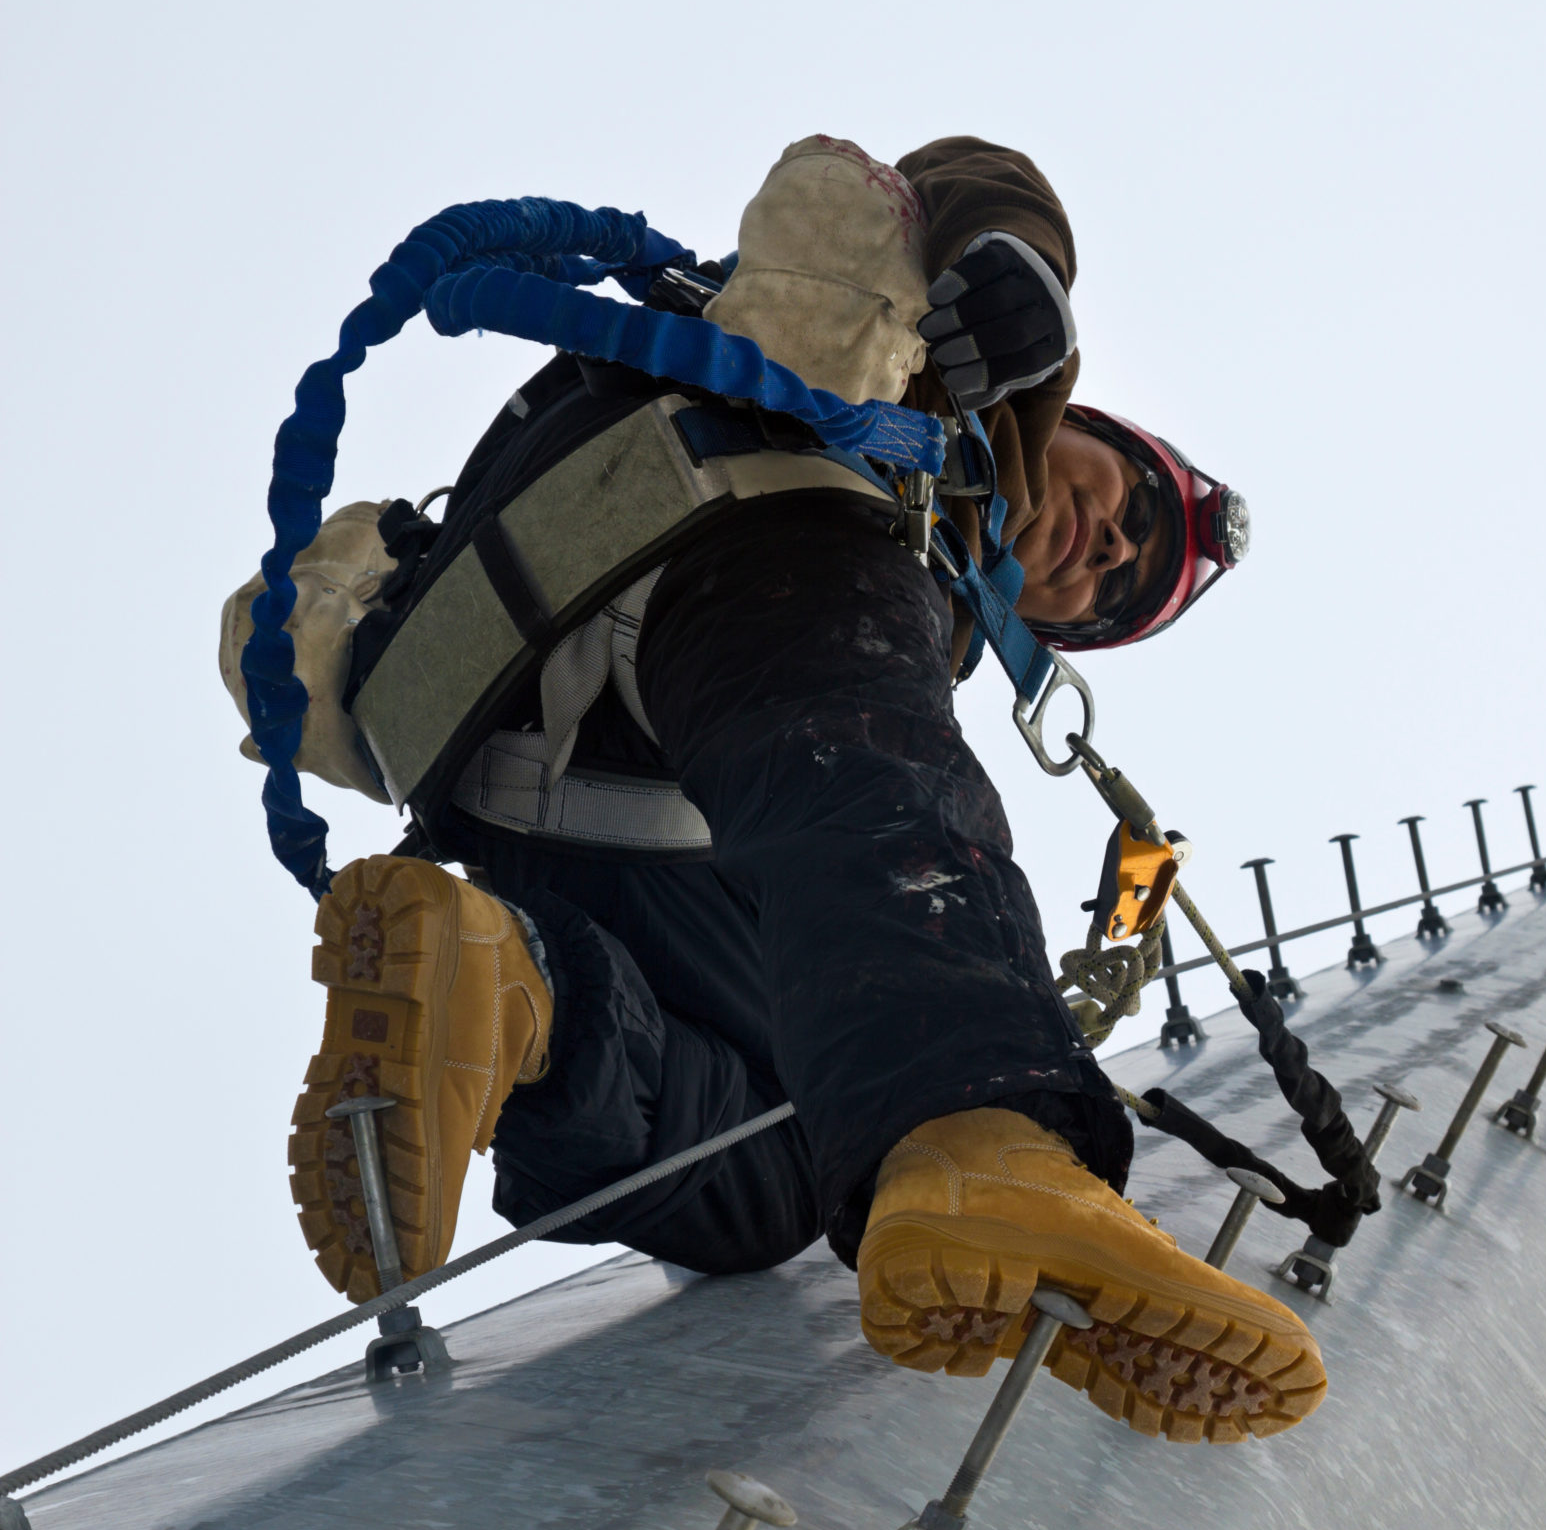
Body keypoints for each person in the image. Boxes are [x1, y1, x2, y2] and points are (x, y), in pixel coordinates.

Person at [281, 136, 1322, 1445]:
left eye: (1115, 589)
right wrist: (1020, 272)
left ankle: (513, 988)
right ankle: (982, 1130)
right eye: (1132, 514)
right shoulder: (970, 387)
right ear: (1087, 430)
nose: (1107, 547)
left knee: (774, 1167)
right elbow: (977, 181)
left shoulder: (951, 584)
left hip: (558, 796)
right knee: (883, 794)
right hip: (730, 553)